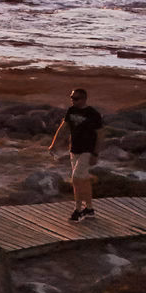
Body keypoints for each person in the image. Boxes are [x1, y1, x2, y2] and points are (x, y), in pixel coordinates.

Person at [48, 87, 104, 221]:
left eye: (76, 98)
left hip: (87, 150)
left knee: (76, 177)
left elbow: (101, 135)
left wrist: (95, 153)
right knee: (82, 180)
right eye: (71, 98)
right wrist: (53, 144)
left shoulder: (93, 114)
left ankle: (78, 209)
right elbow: (63, 128)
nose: (73, 100)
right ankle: (89, 208)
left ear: (84, 99)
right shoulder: (71, 111)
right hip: (74, 149)